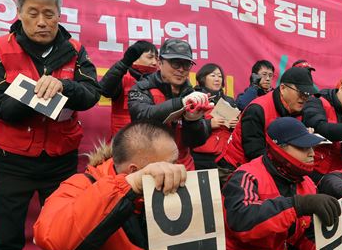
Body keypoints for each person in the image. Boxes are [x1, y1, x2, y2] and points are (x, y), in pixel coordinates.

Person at [0, 0, 100, 250]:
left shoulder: (74, 50)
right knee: (6, 236)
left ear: (60, 14)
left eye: (49, 13)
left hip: (60, 159)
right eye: (33, 13)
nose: (42, 22)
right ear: (18, 12)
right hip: (11, 159)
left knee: (62, 232)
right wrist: (31, 96)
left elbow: (90, 94)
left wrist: (64, 87)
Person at [33, 121, 210, 250]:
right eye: (169, 164)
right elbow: (53, 239)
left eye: (177, 161)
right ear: (134, 170)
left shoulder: (177, 193)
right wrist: (128, 185)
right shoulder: (81, 185)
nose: (178, 170)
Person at [221, 117, 339, 250]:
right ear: (278, 147)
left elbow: (303, 235)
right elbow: (241, 221)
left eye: (312, 147)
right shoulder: (246, 175)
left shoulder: (306, 182)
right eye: (303, 147)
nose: (312, 153)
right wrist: (296, 205)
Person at [216, 67, 317, 176]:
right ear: (283, 88)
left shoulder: (299, 109)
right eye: (301, 93)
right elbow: (254, 152)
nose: (304, 98)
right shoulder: (258, 109)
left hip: (275, 166)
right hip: (235, 168)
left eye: (307, 94)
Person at [128, 39, 210, 171]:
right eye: (175, 63)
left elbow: (196, 142)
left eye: (186, 65)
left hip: (184, 168)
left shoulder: (192, 94)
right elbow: (141, 118)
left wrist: (193, 121)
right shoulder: (142, 88)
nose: (181, 70)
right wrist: (180, 103)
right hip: (149, 167)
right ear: (160, 63)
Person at [99, 40, 158, 135]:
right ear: (135, 57)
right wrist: (123, 64)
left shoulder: (160, 81)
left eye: (156, 58)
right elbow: (105, 90)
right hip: (123, 142)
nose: (155, 62)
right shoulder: (122, 78)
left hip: (151, 141)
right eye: (150, 57)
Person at [191, 63, 239, 170]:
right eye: (213, 76)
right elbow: (187, 127)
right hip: (200, 157)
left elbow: (237, 130)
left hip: (225, 156)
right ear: (203, 78)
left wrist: (235, 124)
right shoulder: (194, 97)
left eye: (220, 76)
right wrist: (209, 124)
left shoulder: (229, 101)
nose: (217, 79)